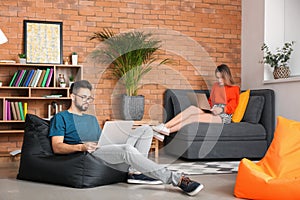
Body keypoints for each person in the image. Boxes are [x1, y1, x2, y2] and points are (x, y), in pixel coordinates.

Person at [49, 80, 203, 196]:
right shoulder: (61, 117)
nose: (87, 101)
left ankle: (135, 173)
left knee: (146, 130)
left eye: (89, 98)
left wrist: (115, 138)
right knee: (128, 149)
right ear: (72, 96)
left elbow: (102, 140)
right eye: (83, 97)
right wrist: (82, 147)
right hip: (87, 153)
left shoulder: (90, 118)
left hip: (102, 147)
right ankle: (177, 179)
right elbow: (57, 146)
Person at [153, 64, 240, 135]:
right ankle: (164, 126)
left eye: (222, 78)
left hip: (223, 115)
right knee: (192, 109)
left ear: (227, 76)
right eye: (218, 78)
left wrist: (221, 109)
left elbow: (233, 105)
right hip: (213, 110)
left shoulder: (234, 88)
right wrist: (206, 107)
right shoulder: (215, 86)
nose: (219, 80)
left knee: (193, 118)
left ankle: (167, 131)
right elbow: (210, 101)